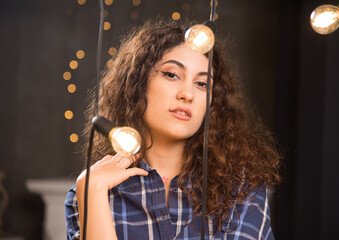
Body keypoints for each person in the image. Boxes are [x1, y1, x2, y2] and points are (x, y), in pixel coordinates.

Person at [65, 19, 280, 240]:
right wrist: (91, 190)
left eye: (202, 84)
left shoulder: (241, 188)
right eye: (172, 75)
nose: (187, 94)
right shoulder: (90, 190)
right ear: (136, 84)